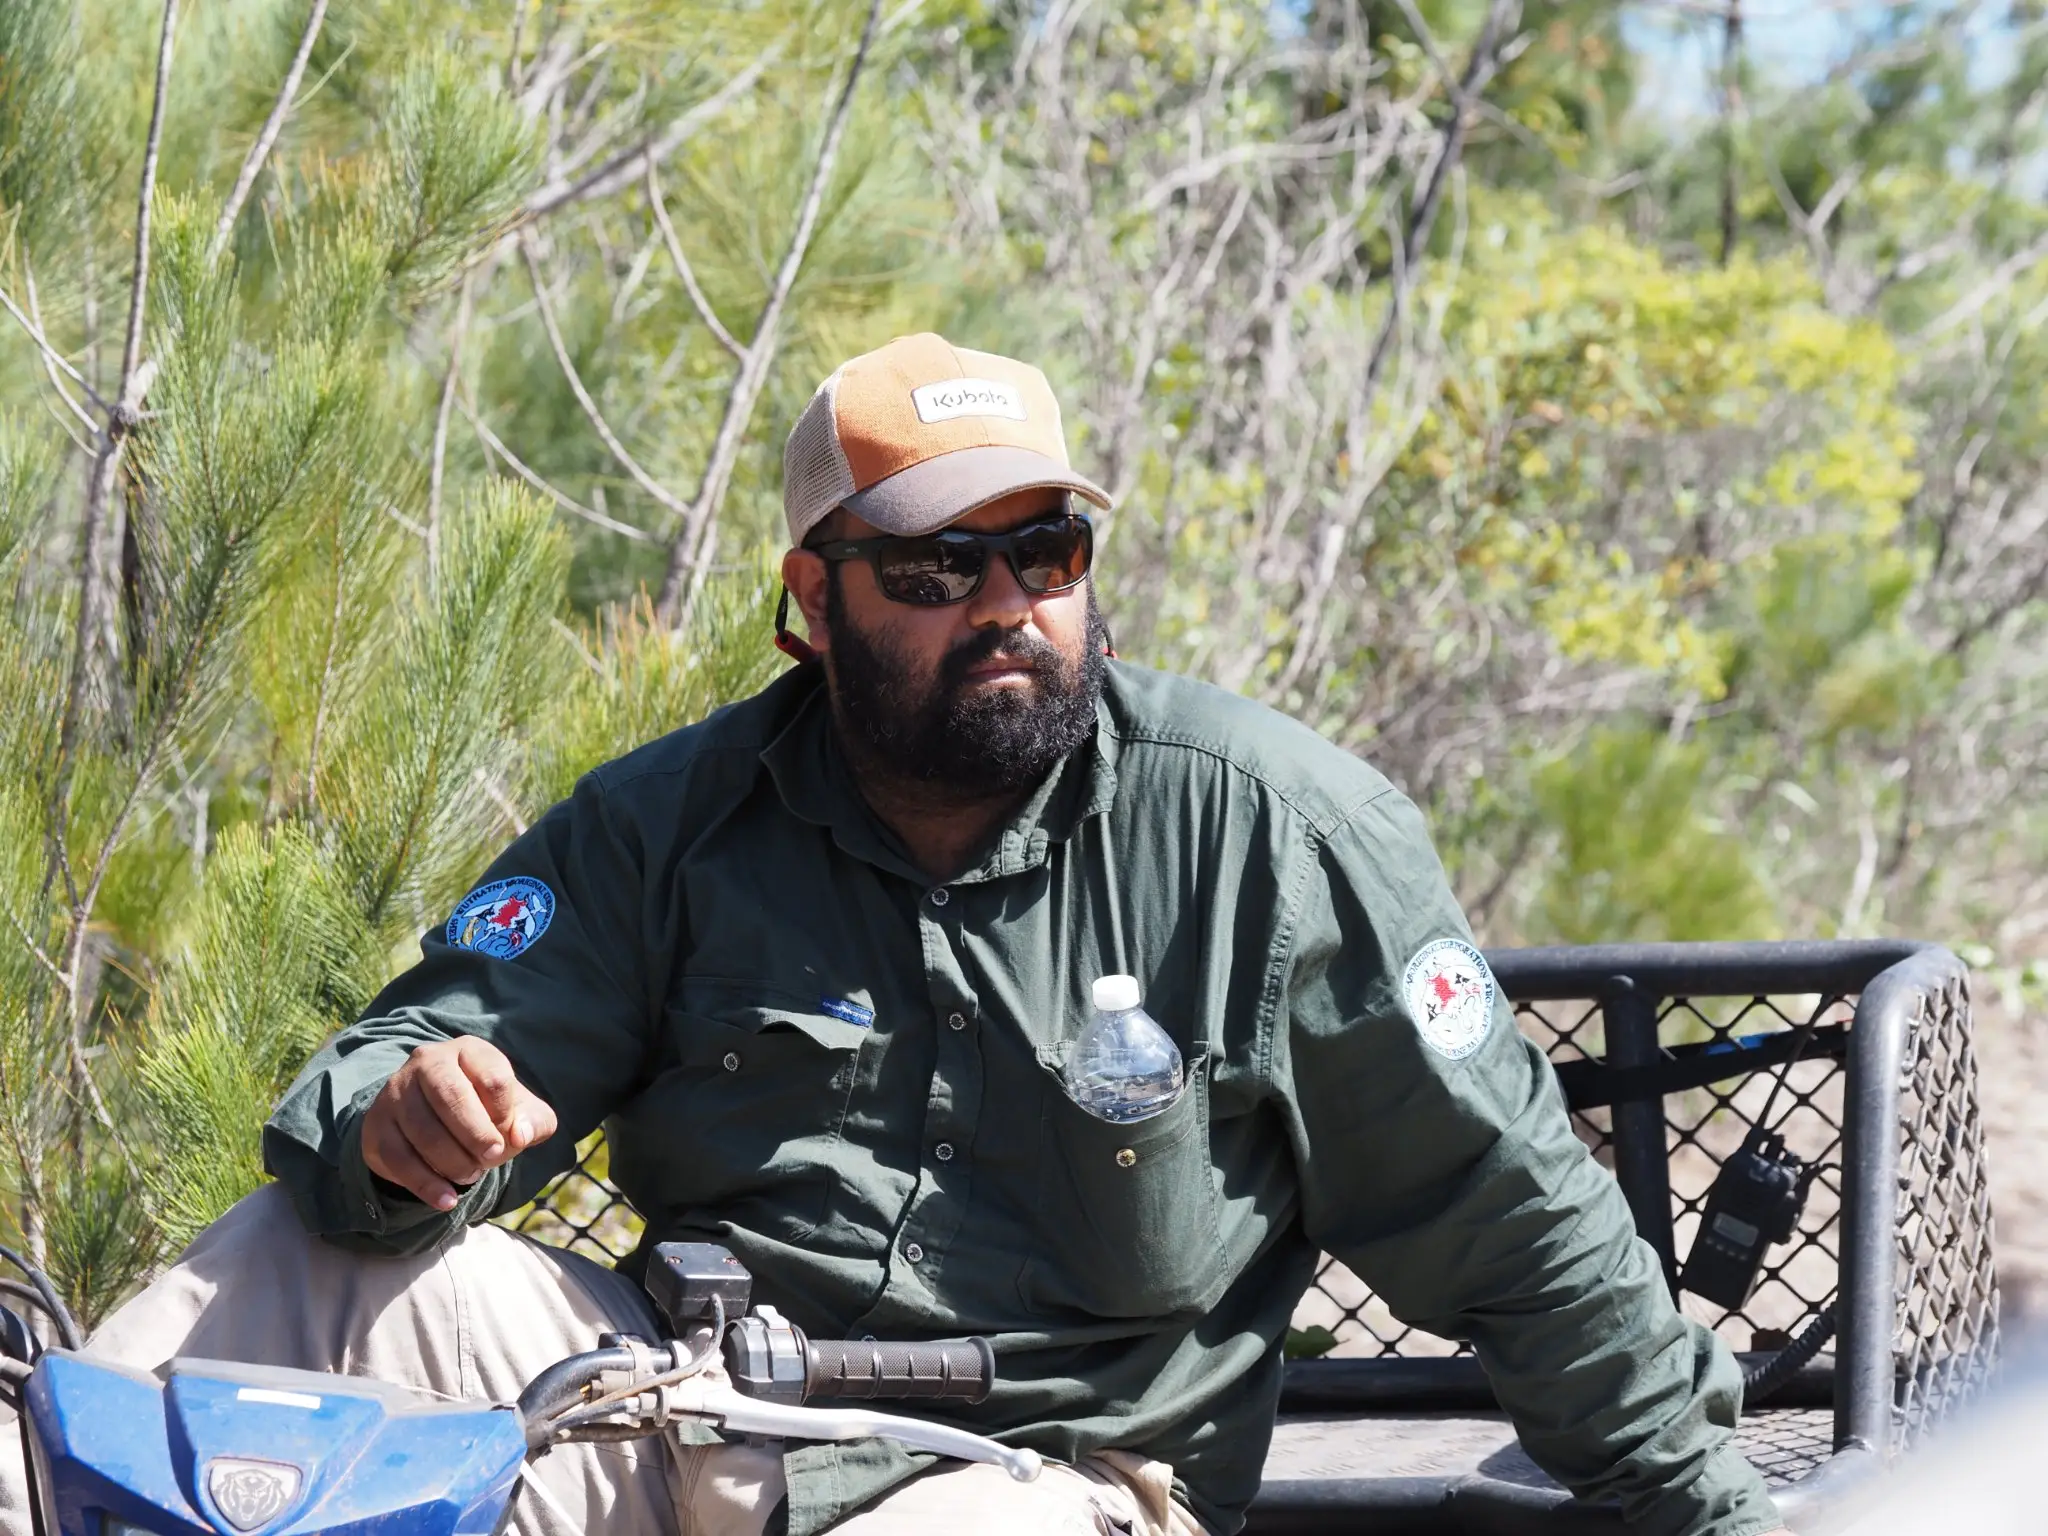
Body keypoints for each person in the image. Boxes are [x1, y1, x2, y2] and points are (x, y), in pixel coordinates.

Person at [4, 334, 1791, 1536]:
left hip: (1046, 1483)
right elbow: (397, 1069)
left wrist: (1712, 1513)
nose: (1006, 604)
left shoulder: (1273, 832)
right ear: (815, 598)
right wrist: (404, 1129)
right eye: (937, 569)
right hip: (690, 1413)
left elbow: (1515, 1221)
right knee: (293, 1273)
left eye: (1046, 552)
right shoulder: (664, 825)